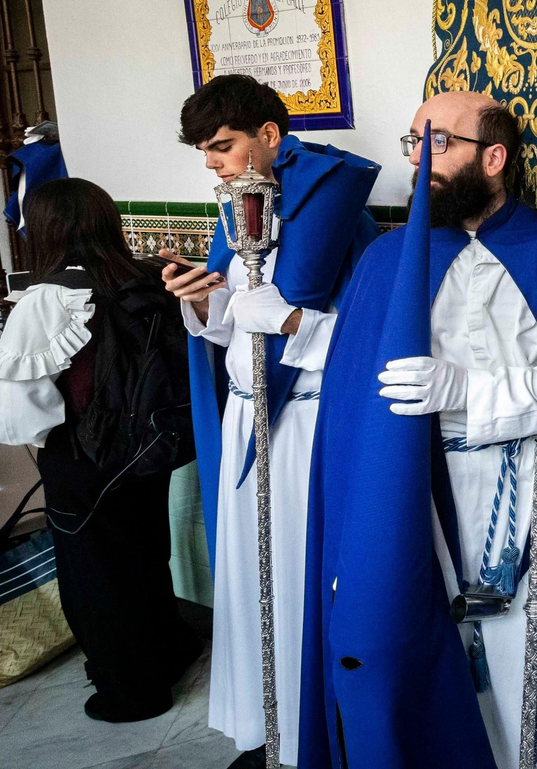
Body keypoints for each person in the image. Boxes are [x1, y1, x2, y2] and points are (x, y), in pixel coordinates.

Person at [298, 92, 537, 769]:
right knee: (430, 676)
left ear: (494, 159)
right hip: (422, 508)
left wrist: (473, 392)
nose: (416, 160)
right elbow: (354, 412)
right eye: (413, 143)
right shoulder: (386, 264)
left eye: (436, 144)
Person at [162, 75, 378, 769]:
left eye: (223, 146)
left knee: (295, 577)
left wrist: (285, 320)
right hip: (247, 422)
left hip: (304, 428)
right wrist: (202, 304)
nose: (213, 163)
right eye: (204, 152)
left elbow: (360, 338)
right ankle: (269, 729)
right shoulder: (236, 215)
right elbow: (230, 331)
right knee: (252, 581)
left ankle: (311, 732)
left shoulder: (336, 214)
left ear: (271, 137)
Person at [0, 178, 201, 721]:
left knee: (96, 580)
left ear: (43, 231)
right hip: (151, 450)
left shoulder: (45, 301)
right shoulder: (153, 278)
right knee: (146, 554)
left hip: (83, 460)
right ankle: (172, 650)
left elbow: (21, 416)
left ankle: (132, 693)